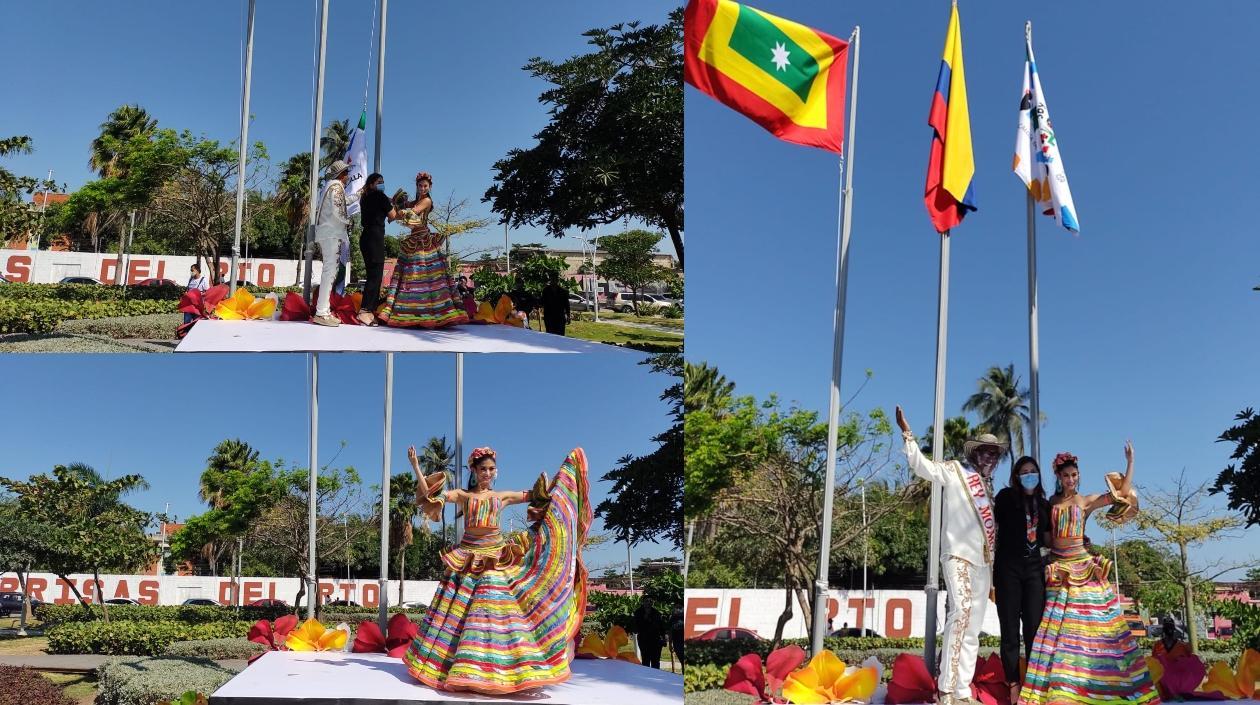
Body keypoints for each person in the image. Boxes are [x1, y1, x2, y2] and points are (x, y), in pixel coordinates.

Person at [404, 445, 590, 694]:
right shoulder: (464, 496)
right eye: (483, 469)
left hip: (495, 558)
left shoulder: (501, 497)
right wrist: (416, 466)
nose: (487, 473)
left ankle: (502, 670)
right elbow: (429, 496)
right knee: (457, 618)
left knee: (494, 615)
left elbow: (538, 496)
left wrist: (564, 478)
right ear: (474, 470)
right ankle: (461, 667)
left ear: (496, 471)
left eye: (491, 469)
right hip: (467, 558)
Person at [1018, 445, 1158, 705]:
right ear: (1059, 478)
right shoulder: (1050, 504)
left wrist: (1130, 462)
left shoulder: (1085, 501)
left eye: (1074, 475)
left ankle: (1097, 685)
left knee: (1093, 629)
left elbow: (1122, 493)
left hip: (1083, 567)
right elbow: (1045, 536)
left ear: (1078, 476)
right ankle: (1063, 689)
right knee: (1058, 633)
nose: (1071, 479)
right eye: (1066, 475)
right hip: (1059, 569)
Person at [896, 405, 1005, 705]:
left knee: (973, 626)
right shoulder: (956, 471)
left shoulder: (989, 489)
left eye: (994, 454)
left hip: (984, 564)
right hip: (957, 555)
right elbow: (923, 467)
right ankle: (946, 688)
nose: (989, 458)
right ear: (974, 453)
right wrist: (907, 434)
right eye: (985, 452)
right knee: (961, 614)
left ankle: (962, 689)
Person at [376, 172, 468, 328]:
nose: (423, 188)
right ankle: (413, 311)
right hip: (414, 238)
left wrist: (396, 210)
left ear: (430, 187)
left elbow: (412, 212)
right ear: (417, 186)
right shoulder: (416, 200)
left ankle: (429, 313)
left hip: (424, 240)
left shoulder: (426, 200)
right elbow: (402, 211)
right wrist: (392, 203)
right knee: (412, 277)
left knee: (423, 277)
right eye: (420, 185)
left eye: (425, 186)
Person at [993, 456, 1050, 701]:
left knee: (1034, 630)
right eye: (1024, 471)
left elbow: (1048, 541)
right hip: (1008, 569)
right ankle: (1013, 684)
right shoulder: (1005, 497)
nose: (1029, 475)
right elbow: (992, 529)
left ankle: (1033, 685)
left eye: (1033, 471)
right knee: (1009, 629)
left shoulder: (1044, 505)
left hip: (1035, 571)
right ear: (1016, 476)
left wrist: (1078, 541)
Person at [312, 160, 358, 327]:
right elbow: (338, 209)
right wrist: (348, 222)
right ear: (341, 174)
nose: (348, 177)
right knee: (330, 272)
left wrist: (360, 194)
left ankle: (323, 310)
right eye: (346, 173)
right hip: (332, 233)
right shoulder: (337, 186)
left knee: (329, 271)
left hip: (326, 233)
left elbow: (344, 201)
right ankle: (322, 312)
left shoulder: (329, 186)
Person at [356, 172, 395, 326]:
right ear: (372, 183)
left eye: (383, 181)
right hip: (375, 238)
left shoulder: (365, 197)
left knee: (373, 275)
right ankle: (365, 311)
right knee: (375, 277)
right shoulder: (380, 197)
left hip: (365, 237)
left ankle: (369, 311)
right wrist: (396, 205)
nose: (382, 184)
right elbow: (393, 215)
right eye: (379, 181)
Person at [633, 596, 665, 669]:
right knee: (645, 660)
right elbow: (635, 628)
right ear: (643, 602)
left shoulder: (656, 613)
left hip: (656, 641)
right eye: (647, 601)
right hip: (644, 640)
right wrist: (645, 618)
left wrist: (663, 638)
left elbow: (661, 627)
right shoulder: (638, 613)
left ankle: (656, 677)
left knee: (656, 661)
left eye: (651, 601)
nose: (649, 603)